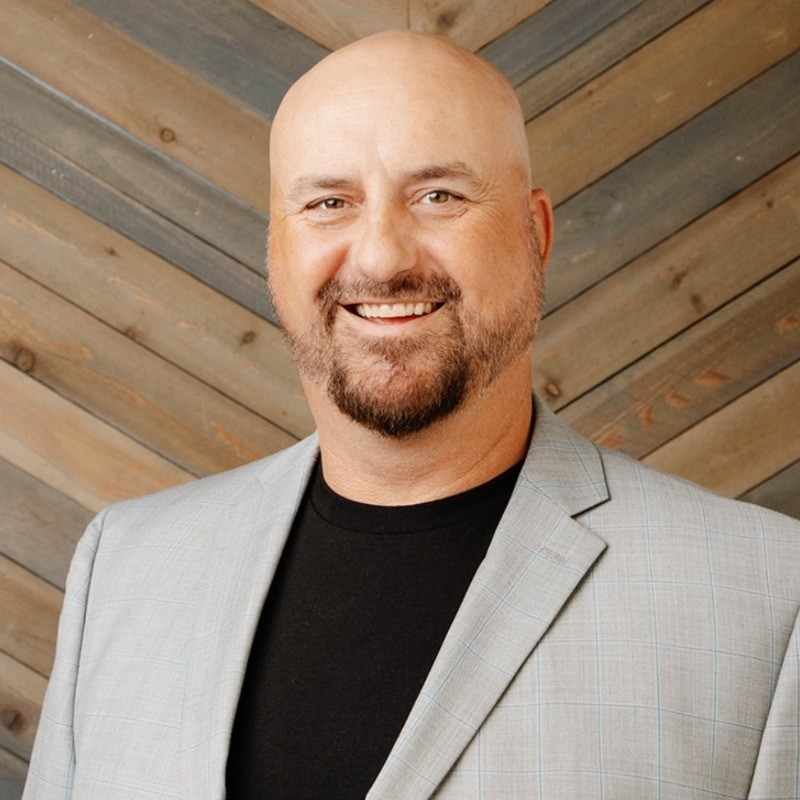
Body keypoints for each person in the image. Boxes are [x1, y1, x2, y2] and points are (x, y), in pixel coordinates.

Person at [24, 31, 799, 800]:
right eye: (329, 204)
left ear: (535, 235)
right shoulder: (126, 567)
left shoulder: (769, 597)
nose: (382, 258)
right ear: (275, 251)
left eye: (439, 197)